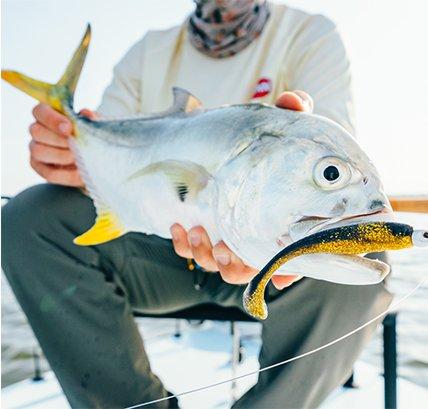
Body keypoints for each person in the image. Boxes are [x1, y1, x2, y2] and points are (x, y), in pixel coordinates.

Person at [2, 1, 392, 408]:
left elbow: (328, 143)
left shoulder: (309, 34)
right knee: (29, 218)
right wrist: (67, 151)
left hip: (276, 265)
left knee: (364, 243)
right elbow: (110, 147)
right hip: (157, 252)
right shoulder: (148, 52)